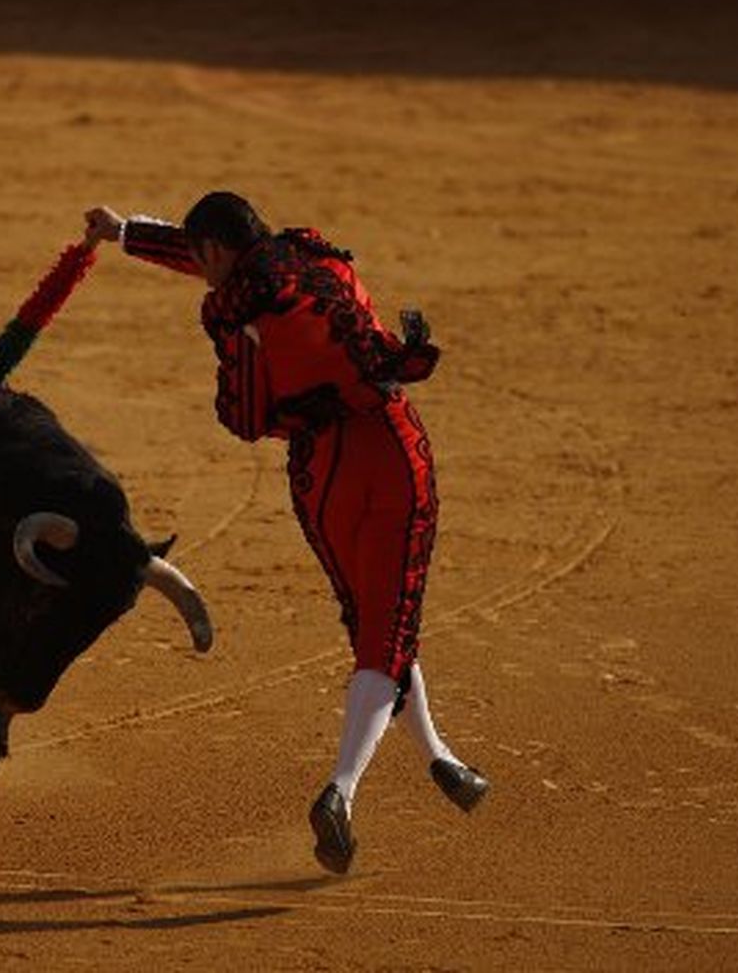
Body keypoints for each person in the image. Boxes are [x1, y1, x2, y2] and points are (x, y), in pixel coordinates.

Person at [83, 192, 488, 874]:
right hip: (390, 447)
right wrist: (129, 235)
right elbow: (226, 258)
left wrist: (126, 233)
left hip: (320, 471)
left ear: (215, 251)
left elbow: (244, 414)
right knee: (388, 622)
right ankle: (342, 789)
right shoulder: (314, 256)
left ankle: (439, 757)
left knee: (375, 618)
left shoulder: (238, 307)